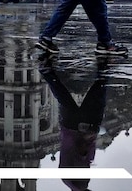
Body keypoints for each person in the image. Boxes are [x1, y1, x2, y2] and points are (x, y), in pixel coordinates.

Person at [40, 61, 107, 191]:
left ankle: (105, 64)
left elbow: (81, 150)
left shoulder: (79, 183)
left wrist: (88, 140)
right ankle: (46, 71)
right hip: (71, 128)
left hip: (82, 127)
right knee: (64, 97)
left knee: (100, 87)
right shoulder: (68, 180)